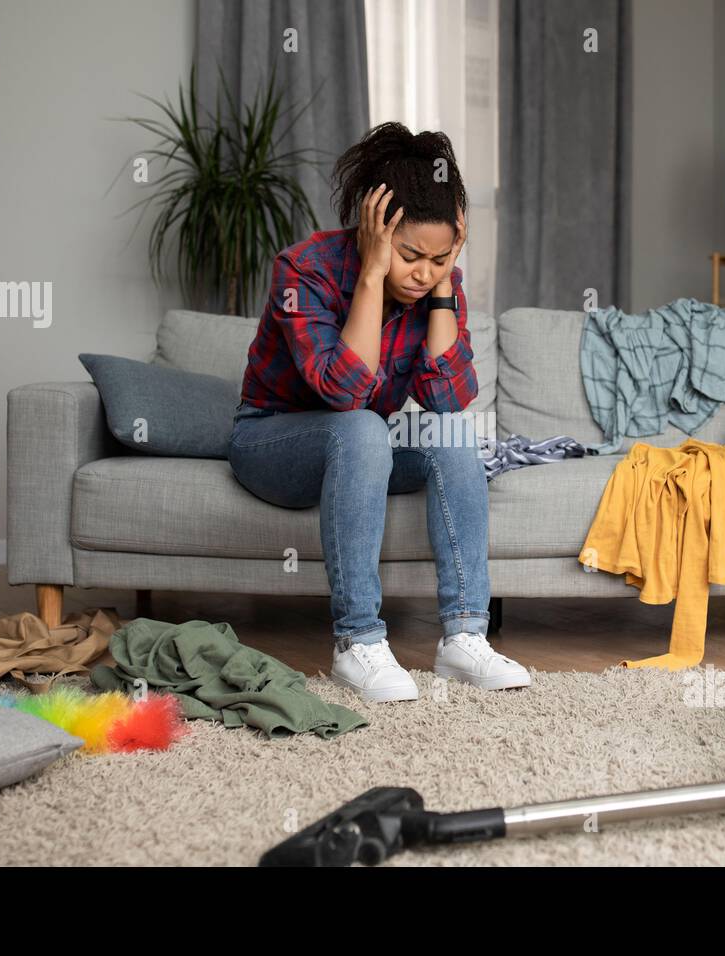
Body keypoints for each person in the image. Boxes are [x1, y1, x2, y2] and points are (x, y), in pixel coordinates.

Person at [227, 122, 531, 703]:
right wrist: (370, 273)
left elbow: (446, 397)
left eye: (441, 258)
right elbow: (344, 393)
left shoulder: (437, 284)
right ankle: (358, 642)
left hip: (361, 447)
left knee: (448, 430)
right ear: (373, 230)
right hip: (271, 443)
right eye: (410, 255)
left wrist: (443, 288)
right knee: (363, 425)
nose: (424, 272)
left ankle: (464, 636)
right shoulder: (305, 270)